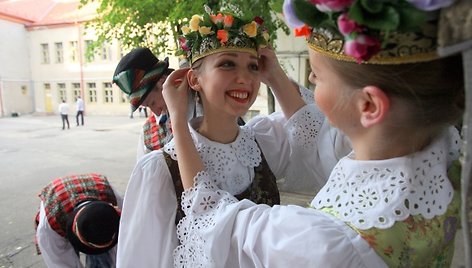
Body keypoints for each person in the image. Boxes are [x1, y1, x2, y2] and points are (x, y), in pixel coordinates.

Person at [164, 1, 465, 267]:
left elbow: (209, 216)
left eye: (317, 76)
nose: (308, 80)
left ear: (369, 105)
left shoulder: (328, 246)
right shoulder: (443, 154)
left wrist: (177, 121)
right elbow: (317, 141)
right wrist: (276, 77)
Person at [116, 8, 349, 267]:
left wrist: (275, 75)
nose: (245, 79)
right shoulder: (158, 170)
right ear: (194, 79)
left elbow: (324, 145)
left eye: (252, 67)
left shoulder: (264, 140)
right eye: (227, 64)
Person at [34, 173, 123, 268]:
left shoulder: (114, 202)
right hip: (58, 200)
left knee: (105, 261)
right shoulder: (49, 228)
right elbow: (60, 264)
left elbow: (124, 246)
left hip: (94, 188)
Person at [112, 48, 175, 159]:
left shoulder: (200, 106)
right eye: (148, 106)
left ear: (163, 83)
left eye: (153, 102)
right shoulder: (147, 133)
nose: (156, 111)